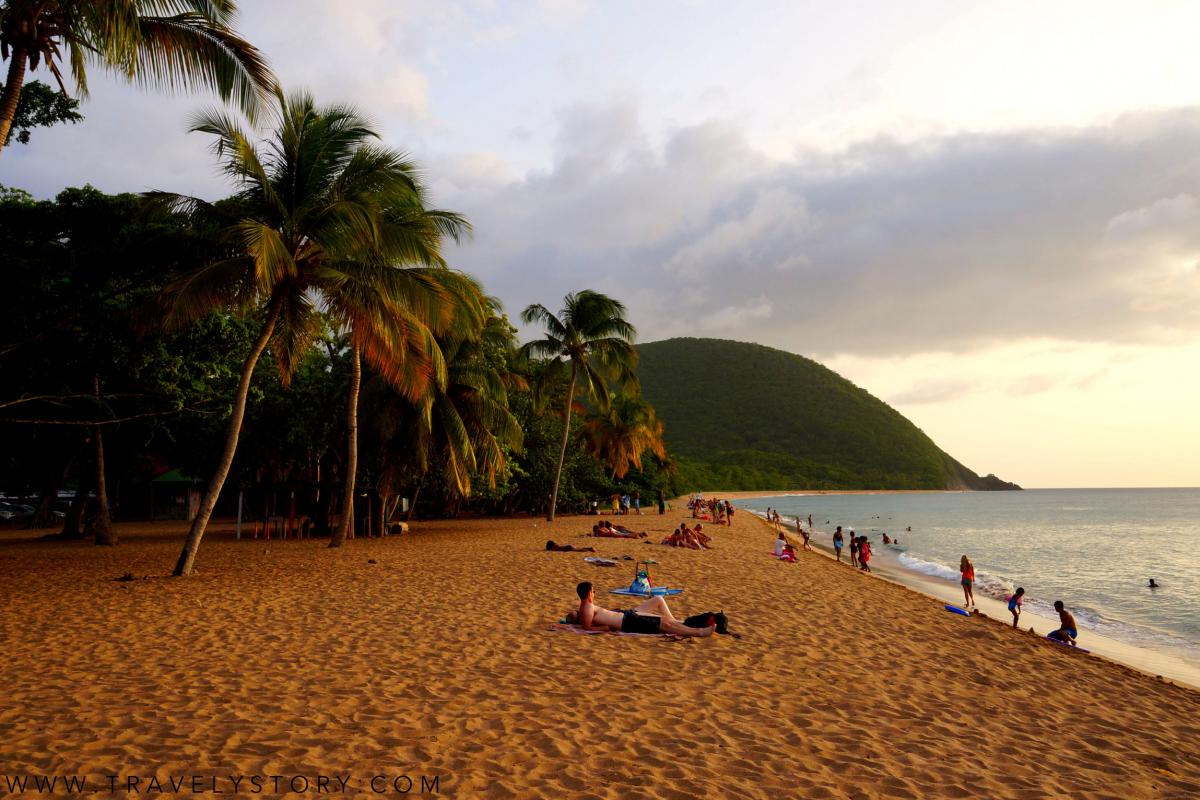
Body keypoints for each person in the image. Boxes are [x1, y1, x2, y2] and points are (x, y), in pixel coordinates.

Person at [569, 581, 715, 637]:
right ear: (588, 593)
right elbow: (586, 627)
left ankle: (688, 627)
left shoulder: (587, 607)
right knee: (665, 625)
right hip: (627, 622)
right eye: (593, 591)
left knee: (663, 616)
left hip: (627, 617)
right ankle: (699, 632)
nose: (594, 594)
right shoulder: (587, 607)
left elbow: (587, 620)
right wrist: (606, 628)